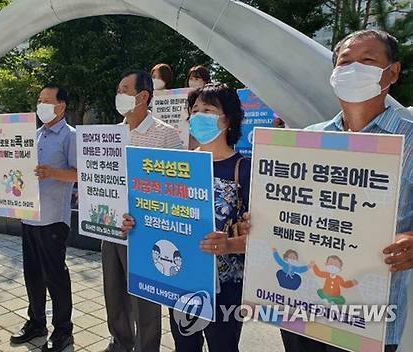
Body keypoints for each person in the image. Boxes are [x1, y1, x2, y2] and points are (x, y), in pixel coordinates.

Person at [242, 29, 413, 352]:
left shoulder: (410, 140)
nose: (353, 70)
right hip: (300, 309)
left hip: (367, 321)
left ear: (392, 72)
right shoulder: (309, 137)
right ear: (334, 75)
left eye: (367, 60)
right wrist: (263, 223)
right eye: (345, 62)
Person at [122, 82, 250, 352]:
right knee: (185, 346)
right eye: (194, 109)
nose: (199, 115)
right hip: (181, 278)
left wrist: (229, 244)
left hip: (224, 288)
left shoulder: (244, 169)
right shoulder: (176, 165)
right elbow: (158, 213)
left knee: (223, 347)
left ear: (229, 119)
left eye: (208, 109)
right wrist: (135, 224)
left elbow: (260, 236)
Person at [102, 70, 183, 352]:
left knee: (145, 297)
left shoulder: (166, 135)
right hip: (110, 225)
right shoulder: (111, 134)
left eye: (124, 89)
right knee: (113, 291)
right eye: (118, 89)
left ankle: (147, 347)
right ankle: (121, 342)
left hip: (145, 231)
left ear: (143, 96)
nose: (118, 95)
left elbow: (174, 189)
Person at [9, 84, 76, 352]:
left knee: (55, 276)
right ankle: (36, 322)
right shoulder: (34, 135)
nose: (41, 106)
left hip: (53, 218)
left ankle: (63, 330)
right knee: (33, 274)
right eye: (39, 100)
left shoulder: (69, 136)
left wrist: (53, 173)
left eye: (47, 101)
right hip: (29, 215)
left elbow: (80, 173)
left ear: (61, 106)